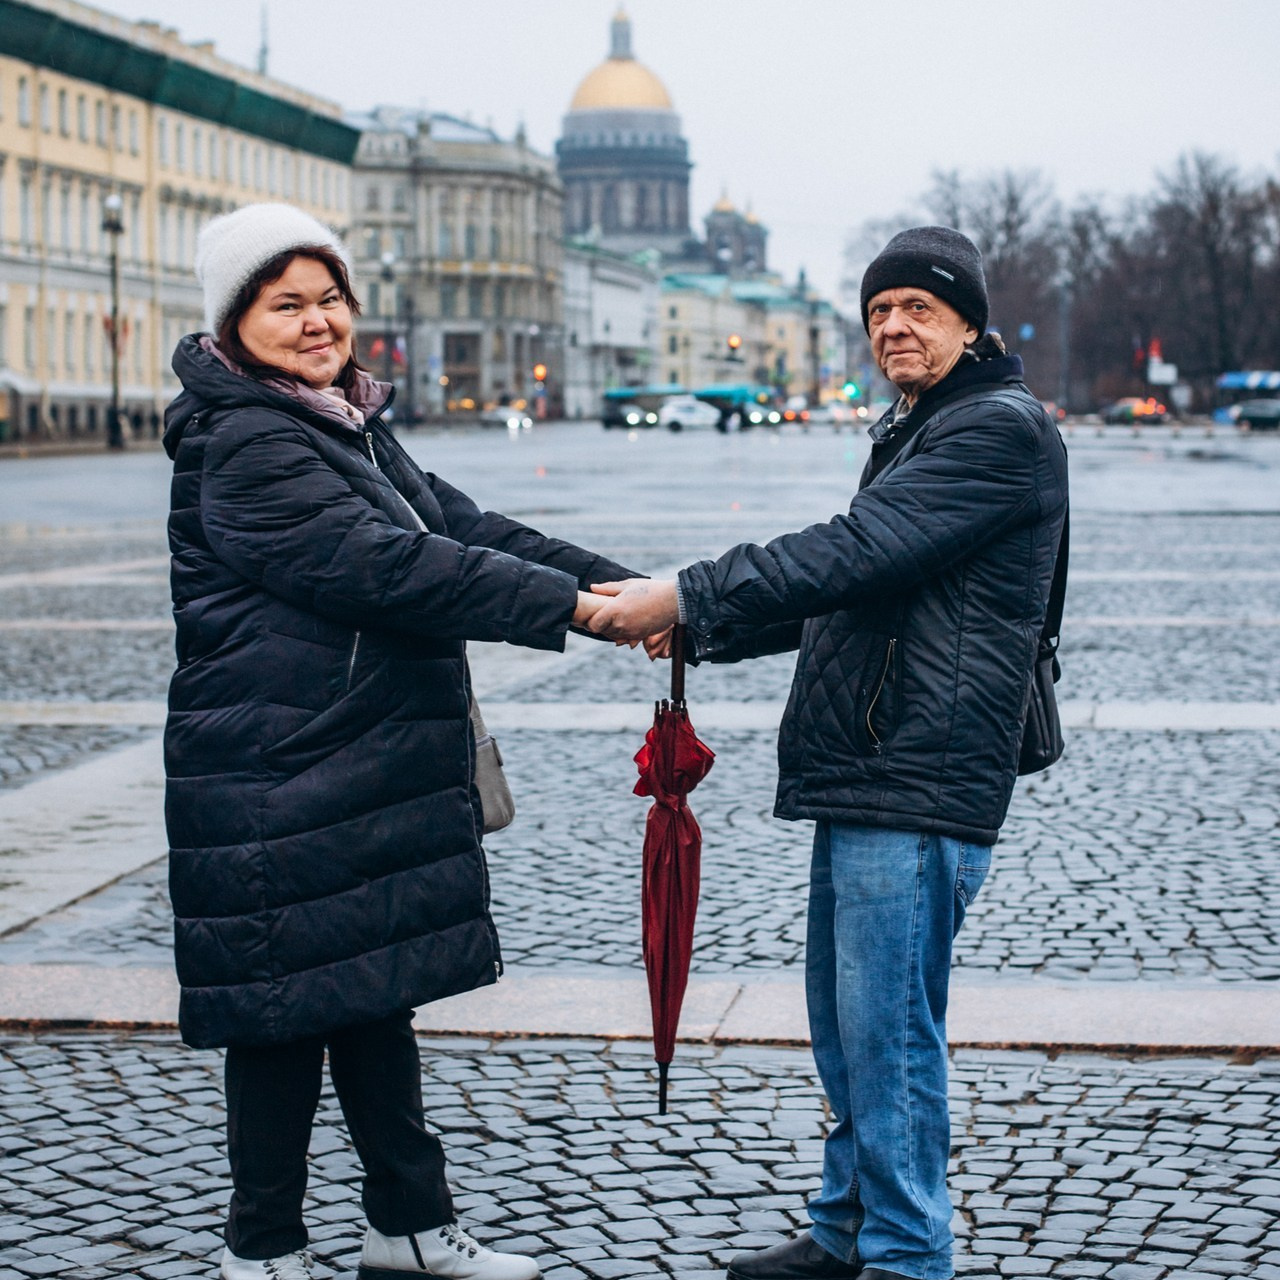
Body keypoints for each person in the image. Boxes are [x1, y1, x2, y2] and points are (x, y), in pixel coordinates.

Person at [588, 227, 1068, 1280]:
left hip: (917, 770)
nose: (892, 325)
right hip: (873, 760)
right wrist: (704, 627)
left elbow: (853, 549)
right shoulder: (923, 425)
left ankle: (903, 1253)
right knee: (849, 1026)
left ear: (969, 324)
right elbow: (862, 584)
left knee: (888, 1034)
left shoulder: (996, 431)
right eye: (879, 309)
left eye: (919, 309)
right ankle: (848, 1224)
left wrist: (691, 591)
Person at [164, 202, 630, 1280]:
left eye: (328, 297)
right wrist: (579, 612)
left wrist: (616, 581)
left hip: (343, 757)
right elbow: (389, 566)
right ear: (236, 321)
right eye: (286, 303)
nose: (317, 319)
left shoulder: (335, 419)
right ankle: (263, 1247)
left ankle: (410, 1225)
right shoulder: (245, 441)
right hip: (278, 767)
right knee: (281, 1015)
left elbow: (460, 529)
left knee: (369, 991)